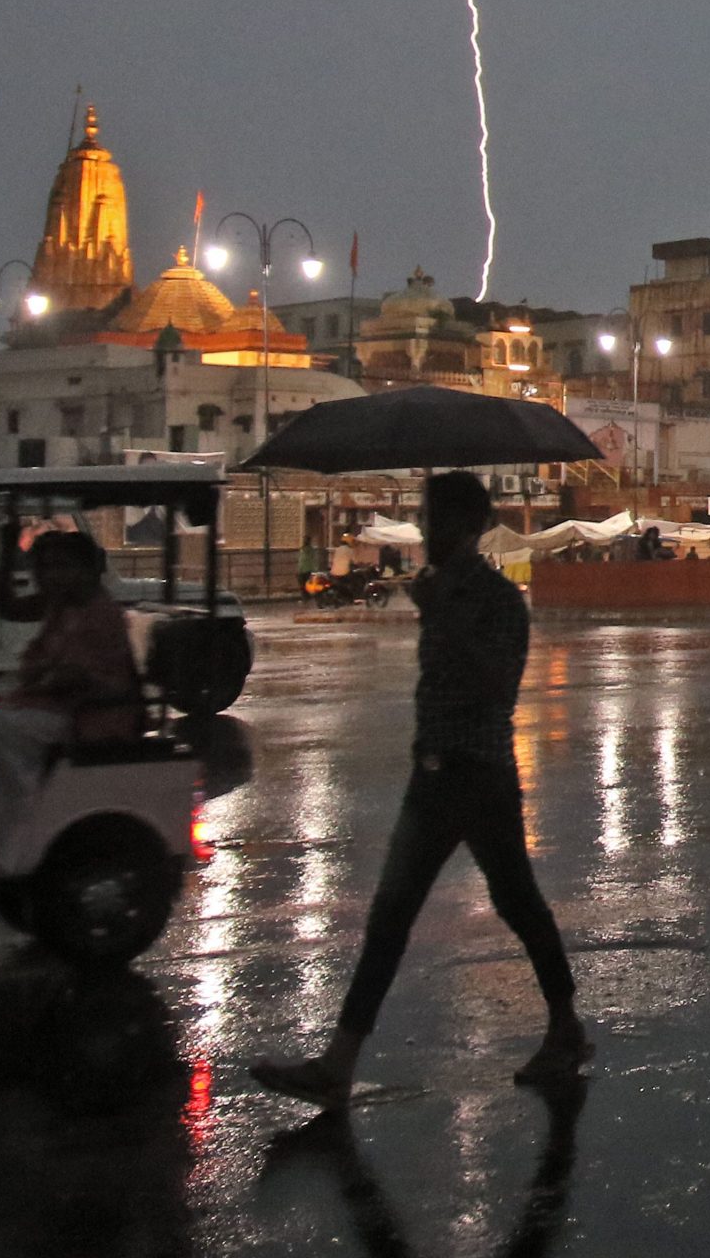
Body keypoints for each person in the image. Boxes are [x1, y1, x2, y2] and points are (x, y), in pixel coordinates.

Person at [253, 470, 588, 1109]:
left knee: (513, 905)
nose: (426, 533)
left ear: (464, 527)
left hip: (478, 772)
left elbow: (497, 684)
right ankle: (341, 1062)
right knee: (394, 917)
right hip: (433, 771)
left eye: (434, 521)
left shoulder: (494, 600)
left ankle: (564, 1028)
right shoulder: (437, 592)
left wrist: (448, 622)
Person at [0, 527, 143, 862]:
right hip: (53, 705)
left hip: (87, 715)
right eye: (43, 567)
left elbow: (77, 676)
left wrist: (42, 679)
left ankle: (1, 836)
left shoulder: (100, 612)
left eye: (61, 567)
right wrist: (6, 555)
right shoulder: (62, 604)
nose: (50, 576)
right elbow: (7, 607)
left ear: (87, 570)